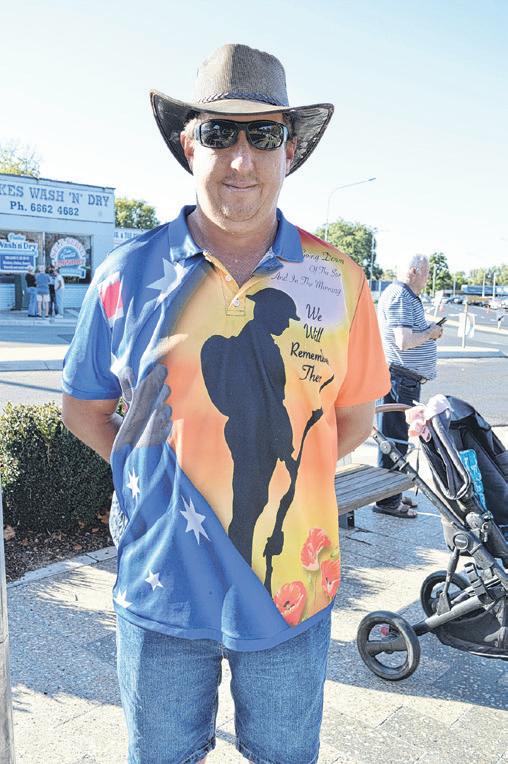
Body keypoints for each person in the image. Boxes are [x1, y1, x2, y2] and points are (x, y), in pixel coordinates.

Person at [62, 44, 390, 764]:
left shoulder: (339, 280)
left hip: (288, 591)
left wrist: (283, 464)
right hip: (162, 588)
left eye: (263, 135)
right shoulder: (125, 274)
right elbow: (84, 410)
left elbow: (353, 421)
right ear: (190, 145)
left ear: (290, 151)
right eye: (219, 133)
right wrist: (152, 471)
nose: (242, 159)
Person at [374, 254, 443, 518]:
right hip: (399, 379)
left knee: (398, 439)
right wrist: (430, 333)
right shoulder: (400, 296)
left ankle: (392, 493)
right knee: (394, 440)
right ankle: (387, 501)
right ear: (414, 271)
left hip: (403, 379)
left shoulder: (405, 296)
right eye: (426, 273)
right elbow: (403, 341)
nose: (428, 278)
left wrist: (429, 329)